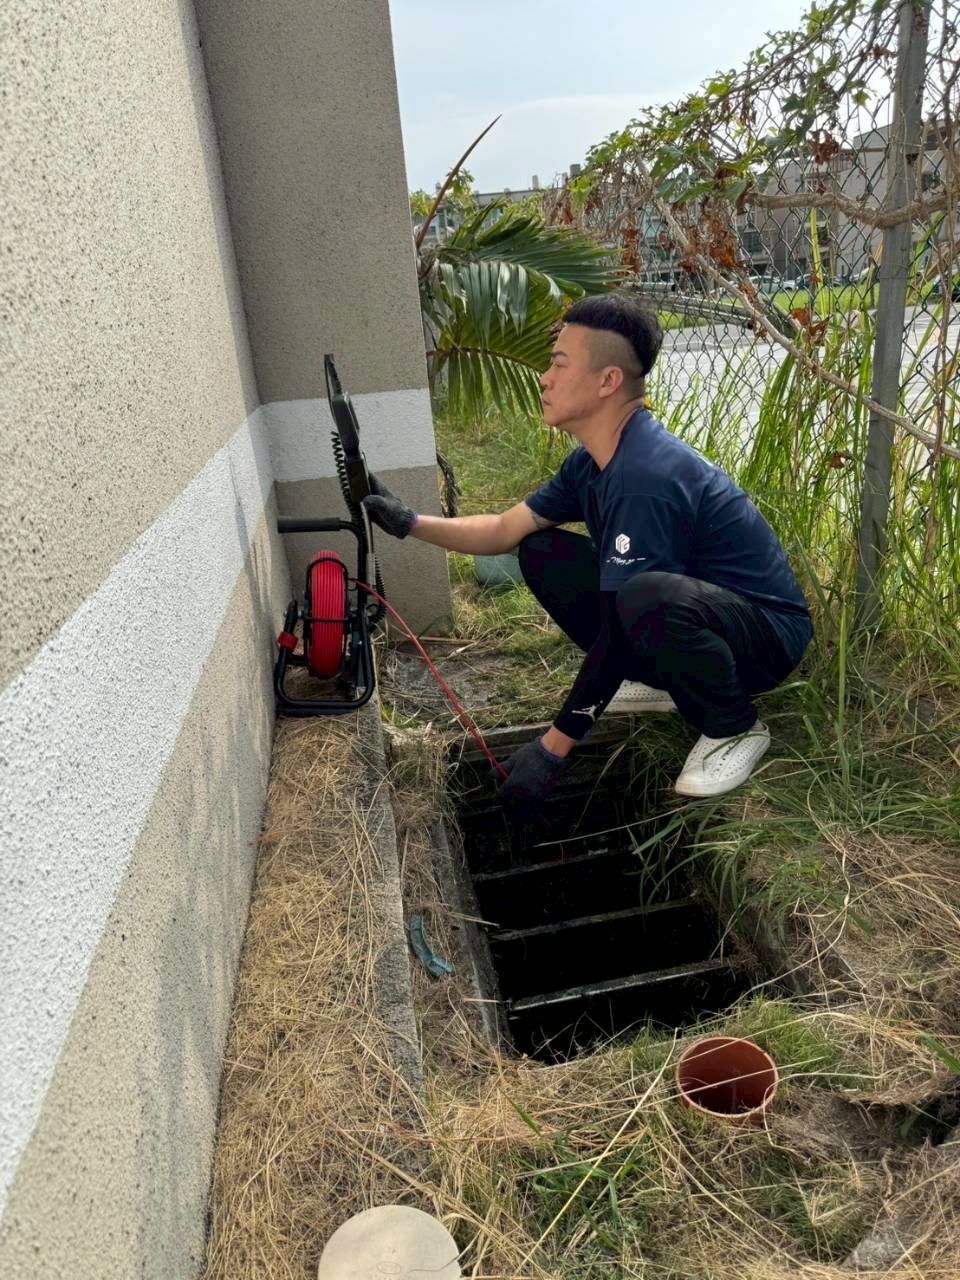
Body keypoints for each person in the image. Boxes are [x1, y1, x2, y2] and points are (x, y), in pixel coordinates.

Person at [363, 293, 813, 825]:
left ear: (608, 381)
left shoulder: (645, 476)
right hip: (693, 616)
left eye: (559, 365)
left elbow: (627, 616)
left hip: (763, 638)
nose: (544, 379)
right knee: (542, 551)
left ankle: (734, 726)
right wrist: (409, 523)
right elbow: (505, 529)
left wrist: (554, 747)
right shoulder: (591, 464)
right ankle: (662, 680)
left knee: (641, 596)